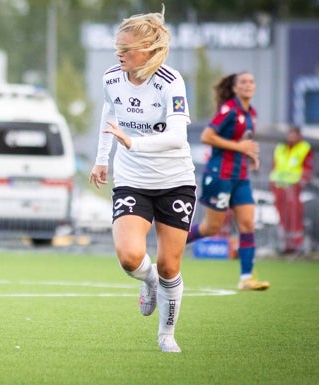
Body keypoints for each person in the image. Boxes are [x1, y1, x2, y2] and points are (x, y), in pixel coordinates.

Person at [89, 6, 196, 353]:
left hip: (175, 180)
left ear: (148, 50)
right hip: (132, 179)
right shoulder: (111, 77)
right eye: (117, 48)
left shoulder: (171, 81)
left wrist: (133, 142)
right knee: (130, 257)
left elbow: (179, 137)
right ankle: (148, 282)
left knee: (169, 265)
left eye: (126, 49)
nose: (119, 54)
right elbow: (110, 110)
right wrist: (102, 158)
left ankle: (166, 336)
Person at [185, 72, 270, 291]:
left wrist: (250, 155)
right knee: (211, 227)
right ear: (234, 88)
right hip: (220, 174)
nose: (248, 85)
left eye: (251, 81)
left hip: (240, 176)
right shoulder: (229, 109)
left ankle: (246, 278)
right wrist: (240, 147)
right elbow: (207, 136)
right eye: (243, 82)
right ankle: (172, 242)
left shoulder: (252, 113)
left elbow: (243, 142)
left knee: (248, 224)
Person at [269, 125, 314, 254]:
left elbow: (307, 168)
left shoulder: (304, 148)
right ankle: (285, 244)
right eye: (290, 134)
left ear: (299, 136)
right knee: (282, 216)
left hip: (294, 188)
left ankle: (297, 245)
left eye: (294, 134)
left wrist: (302, 180)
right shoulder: (281, 148)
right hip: (279, 187)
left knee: (294, 216)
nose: (291, 137)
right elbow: (275, 166)